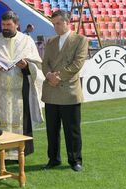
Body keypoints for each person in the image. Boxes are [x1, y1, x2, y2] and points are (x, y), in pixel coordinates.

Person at [0, 11, 43, 160]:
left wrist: (26, 65)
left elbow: (37, 66)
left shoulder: (27, 41)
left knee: (20, 121)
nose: (5, 28)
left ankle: (19, 153)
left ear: (17, 24)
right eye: (3, 25)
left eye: (8, 25)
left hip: (20, 93)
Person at [41, 10, 88, 171]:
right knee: (52, 130)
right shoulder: (51, 42)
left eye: (58, 23)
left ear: (68, 22)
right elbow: (44, 62)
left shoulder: (80, 40)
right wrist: (49, 75)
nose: (56, 27)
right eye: (53, 24)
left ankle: (75, 160)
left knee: (72, 130)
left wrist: (57, 77)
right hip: (51, 92)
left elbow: (77, 64)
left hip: (69, 92)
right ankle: (53, 159)